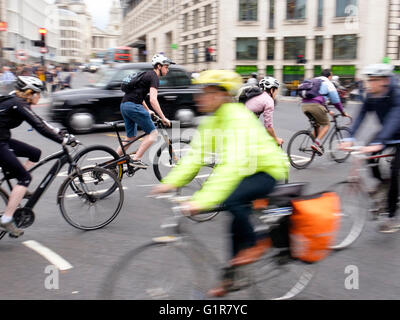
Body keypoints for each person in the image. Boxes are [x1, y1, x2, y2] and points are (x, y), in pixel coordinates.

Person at [152, 70, 289, 297]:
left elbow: (231, 167)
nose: (200, 98)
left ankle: (260, 243)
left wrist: (202, 201)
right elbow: (196, 156)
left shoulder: (238, 118)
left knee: (232, 198)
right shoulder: (212, 122)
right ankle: (231, 278)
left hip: (267, 169)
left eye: (207, 92)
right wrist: (169, 183)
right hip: (246, 170)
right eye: (200, 92)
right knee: (234, 221)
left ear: (222, 95)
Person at [0, 76, 75, 237]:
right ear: (29, 92)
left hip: (3, 139)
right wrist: (62, 140)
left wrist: (59, 132)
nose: (39, 96)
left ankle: (19, 189)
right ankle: (7, 219)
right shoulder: (18, 104)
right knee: (25, 177)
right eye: (38, 93)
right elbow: (39, 127)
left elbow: (39, 121)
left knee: (35, 153)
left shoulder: (16, 100)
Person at [340, 63, 400, 233]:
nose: (369, 84)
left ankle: (392, 217)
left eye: (374, 80)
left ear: (385, 80)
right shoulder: (371, 94)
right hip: (386, 133)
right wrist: (350, 136)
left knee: (394, 170)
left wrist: (381, 141)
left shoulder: (397, 94)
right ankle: (382, 183)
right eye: (369, 80)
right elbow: (361, 114)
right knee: (369, 158)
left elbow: (395, 118)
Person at [116, 53, 172, 168]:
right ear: (158, 66)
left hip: (125, 105)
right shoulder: (154, 78)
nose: (168, 70)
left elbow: (139, 96)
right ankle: (136, 159)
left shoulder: (146, 75)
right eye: (166, 67)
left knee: (130, 137)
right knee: (153, 133)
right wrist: (163, 117)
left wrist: (148, 110)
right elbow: (153, 100)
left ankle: (113, 160)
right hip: (133, 107)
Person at [301, 69, 351, 155]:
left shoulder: (314, 80)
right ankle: (316, 144)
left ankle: (313, 144)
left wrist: (328, 111)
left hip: (304, 105)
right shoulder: (328, 83)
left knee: (317, 125)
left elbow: (319, 98)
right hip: (315, 106)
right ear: (330, 76)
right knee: (326, 124)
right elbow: (336, 101)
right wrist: (342, 112)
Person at [244, 76, 283, 146]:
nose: (276, 93)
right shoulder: (269, 101)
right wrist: (276, 139)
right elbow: (268, 127)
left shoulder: (257, 95)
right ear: (271, 90)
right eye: (276, 90)